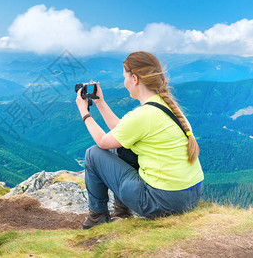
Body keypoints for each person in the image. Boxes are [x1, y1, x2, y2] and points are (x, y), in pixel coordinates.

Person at [75, 51, 204, 230]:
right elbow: (122, 131)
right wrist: (100, 103)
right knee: (121, 149)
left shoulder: (144, 115)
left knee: (93, 154)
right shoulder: (168, 108)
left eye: (125, 77)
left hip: (164, 203)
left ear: (135, 79)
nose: (124, 83)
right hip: (192, 195)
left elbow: (103, 142)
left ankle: (98, 218)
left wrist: (84, 111)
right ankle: (121, 213)